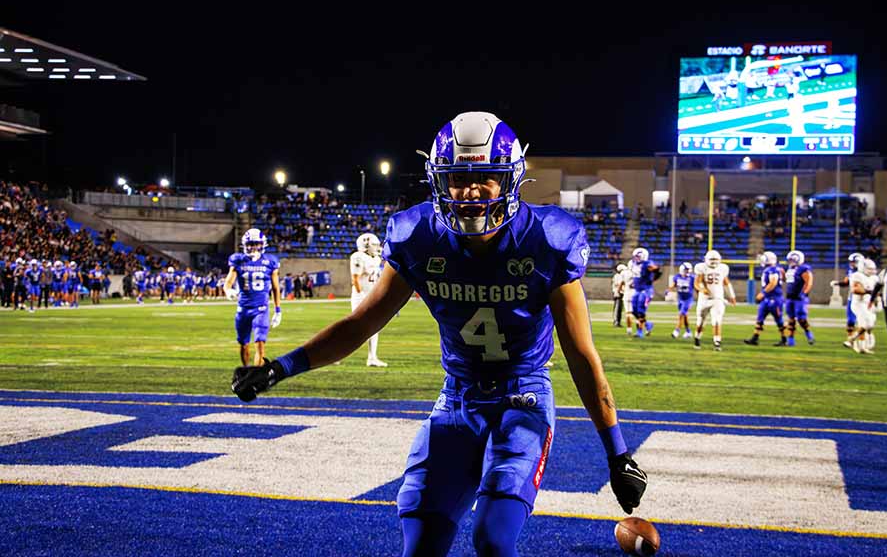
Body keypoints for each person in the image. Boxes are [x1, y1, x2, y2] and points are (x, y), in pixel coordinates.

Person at [231, 112, 647, 556]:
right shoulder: (420, 236)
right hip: (457, 398)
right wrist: (279, 368)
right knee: (422, 538)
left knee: (493, 538)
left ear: (509, 179)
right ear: (438, 181)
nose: (469, 190)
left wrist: (617, 452)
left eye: (484, 177)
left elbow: (581, 355)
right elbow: (360, 324)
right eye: (458, 177)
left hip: (522, 396)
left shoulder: (546, 239)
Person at [223, 228, 282, 366]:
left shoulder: (270, 261)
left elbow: (275, 287)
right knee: (244, 344)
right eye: (250, 244)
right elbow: (228, 281)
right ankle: (246, 370)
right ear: (245, 245)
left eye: (256, 244)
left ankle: (256, 376)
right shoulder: (238, 260)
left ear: (262, 244)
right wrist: (228, 290)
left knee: (260, 343)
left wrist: (278, 310)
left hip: (261, 309)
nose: (253, 247)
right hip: (243, 308)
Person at [351, 232, 388, 367]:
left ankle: (372, 358)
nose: (377, 247)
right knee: (354, 328)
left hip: (371, 296)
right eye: (374, 245)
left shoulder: (376, 259)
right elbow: (355, 279)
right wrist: (361, 296)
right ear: (365, 245)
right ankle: (333, 353)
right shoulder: (358, 257)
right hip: (361, 296)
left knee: (375, 327)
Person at [693, 250, 736, 351]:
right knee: (701, 321)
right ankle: (697, 337)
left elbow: (726, 283)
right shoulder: (701, 268)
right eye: (712, 259)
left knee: (717, 320)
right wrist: (702, 289)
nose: (714, 261)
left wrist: (732, 296)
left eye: (715, 259)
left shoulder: (722, 268)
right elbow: (696, 283)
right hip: (704, 299)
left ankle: (717, 341)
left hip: (717, 299)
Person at [744, 252, 787, 346]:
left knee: (779, 320)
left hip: (774, 298)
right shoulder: (776, 268)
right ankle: (755, 338)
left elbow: (773, 282)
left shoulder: (772, 269)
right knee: (760, 318)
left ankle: (784, 339)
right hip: (768, 298)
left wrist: (762, 293)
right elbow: (784, 278)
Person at [831, 253, 864, 347]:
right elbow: (846, 283)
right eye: (851, 262)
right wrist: (838, 283)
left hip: (861, 299)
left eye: (854, 262)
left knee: (863, 321)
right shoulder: (850, 270)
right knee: (850, 321)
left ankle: (863, 341)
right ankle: (850, 340)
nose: (852, 264)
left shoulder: (865, 272)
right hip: (852, 298)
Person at [784, 250, 814, 346]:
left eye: (793, 260)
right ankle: (791, 339)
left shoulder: (803, 269)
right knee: (791, 319)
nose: (791, 262)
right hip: (790, 297)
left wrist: (804, 294)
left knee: (801, 319)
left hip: (799, 298)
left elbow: (808, 282)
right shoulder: (790, 269)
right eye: (790, 260)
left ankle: (808, 333)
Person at [848, 258, 879, 354]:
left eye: (873, 269)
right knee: (865, 323)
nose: (872, 271)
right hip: (858, 304)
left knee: (870, 324)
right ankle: (854, 340)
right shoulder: (857, 275)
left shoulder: (874, 278)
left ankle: (858, 343)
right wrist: (869, 292)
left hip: (868, 303)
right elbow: (855, 290)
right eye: (869, 268)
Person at [629, 247, 660, 338]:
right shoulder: (634, 264)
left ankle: (640, 331)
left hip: (646, 290)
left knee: (640, 311)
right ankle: (648, 324)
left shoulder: (647, 264)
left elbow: (656, 270)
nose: (636, 258)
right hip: (637, 290)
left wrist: (652, 279)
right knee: (634, 310)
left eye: (638, 256)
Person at [668, 262, 694, 339]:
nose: (688, 271)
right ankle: (688, 331)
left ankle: (677, 331)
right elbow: (674, 284)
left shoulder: (692, 278)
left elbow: (696, 286)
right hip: (680, 299)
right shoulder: (677, 277)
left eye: (688, 270)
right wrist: (669, 289)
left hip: (688, 299)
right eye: (686, 270)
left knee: (681, 314)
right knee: (684, 316)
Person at [611, 263, 626, 327]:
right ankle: (616, 321)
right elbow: (618, 285)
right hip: (618, 294)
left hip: (621, 293)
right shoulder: (617, 276)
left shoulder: (620, 276)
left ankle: (618, 321)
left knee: (620, 309)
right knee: (617, 308)